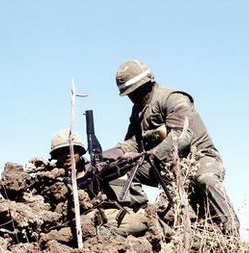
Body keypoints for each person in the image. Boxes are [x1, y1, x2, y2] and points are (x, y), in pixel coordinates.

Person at [102, 59, 240, 236]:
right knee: (121, 169)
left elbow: (181, 137)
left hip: (198, 158)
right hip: (165, 166)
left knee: (206, 179)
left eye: (136, 91)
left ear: (149, 82)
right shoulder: (138, 110)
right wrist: (114, 153)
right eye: (130, 93)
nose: (133, 96)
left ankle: (231, 232)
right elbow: (133, 141)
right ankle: (139, 215)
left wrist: (149, 155)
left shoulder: (173, 98)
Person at [49, 128, 149, 237]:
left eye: (72, 150)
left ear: (80, 151)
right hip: (68, 222)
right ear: (56, 156)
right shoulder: (51, 179)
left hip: (103, 215)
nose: (68, 155)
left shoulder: (96, 170)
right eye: (62, 152)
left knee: (140, 224)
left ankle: (98, 234)